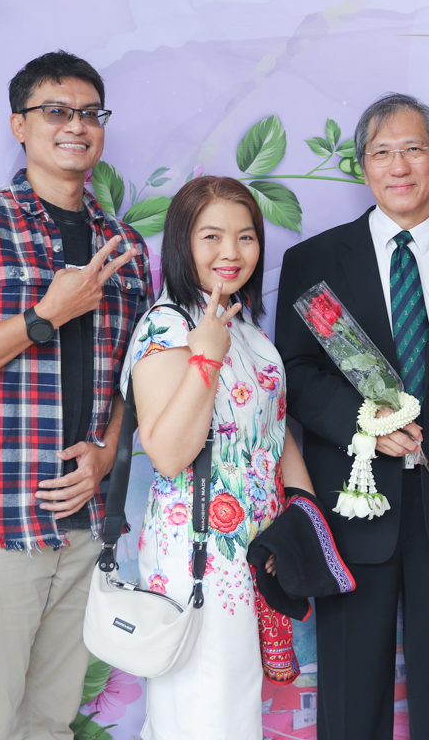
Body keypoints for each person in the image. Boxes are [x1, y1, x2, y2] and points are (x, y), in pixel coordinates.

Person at [0, 51, 151, 739]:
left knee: (48, 724)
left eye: (90, 113)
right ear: (20, 124)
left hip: (83, 521)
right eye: (57, 111)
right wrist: (43, 316)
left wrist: (106, 452)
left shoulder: (123, 245)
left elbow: (135, 377)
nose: (76, 125)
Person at [275, 93, 429, 740]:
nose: (399, 166)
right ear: (363, 166)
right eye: (382, 152)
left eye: (413, 149)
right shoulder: (315, 262)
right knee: (350, 699)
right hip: (354, 505)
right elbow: (294, 374)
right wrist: (366, 424)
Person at [122, 175, 314, 739]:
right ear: (182, 243)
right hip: (198, 555)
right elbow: (167, 453)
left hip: (254, 552)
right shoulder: (168, 326)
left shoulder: (246, 328)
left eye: (246, 236)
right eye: (212, 236)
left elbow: (271, 432)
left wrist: (305, 520)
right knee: (203, 716)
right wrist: (204, 359)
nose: (231, 252)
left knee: (232, 712)